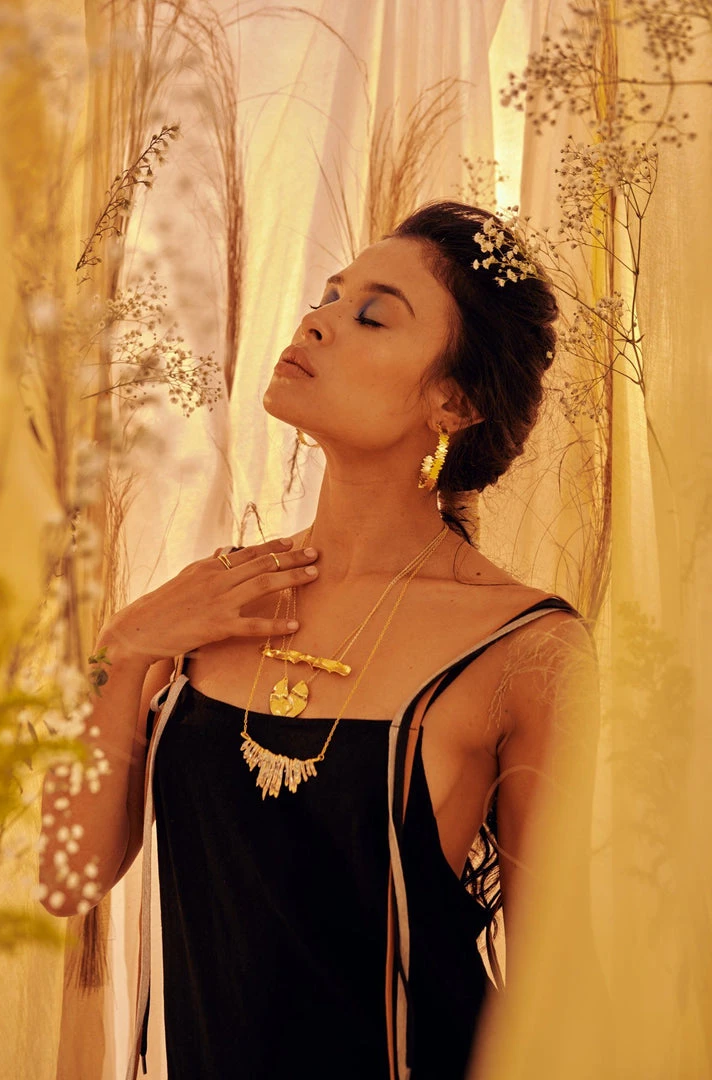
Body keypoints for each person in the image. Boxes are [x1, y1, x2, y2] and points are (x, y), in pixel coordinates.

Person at [39, 201, 599, 1080]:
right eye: (329, 297)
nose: (319, 320)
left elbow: (558, 982)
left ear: (453, 402)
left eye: (372, 315)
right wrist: (123, 648)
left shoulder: (523, 646)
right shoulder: (213, 602)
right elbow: (65, 878)